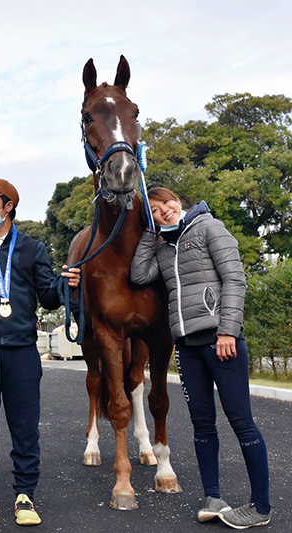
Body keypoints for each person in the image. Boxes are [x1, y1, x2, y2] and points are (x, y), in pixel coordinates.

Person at [130, 187, 271, 529]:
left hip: (221, 341)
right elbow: (138, 275)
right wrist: (150, 235)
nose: (163, 212)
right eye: (154, 211)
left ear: (177, 202)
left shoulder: (210, 228)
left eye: (165, 205)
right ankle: (213, 497)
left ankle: (261, 507)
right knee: (202, 424)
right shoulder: (163, 248)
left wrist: (228, 331)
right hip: (188, 346)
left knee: (241, 421)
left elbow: (235, 279)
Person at [0, 178, 79, 527]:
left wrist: (66, 283)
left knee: (25, 428)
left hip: (22, 353)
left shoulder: (33, 249)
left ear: (8, 206)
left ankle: (25, 495)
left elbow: (49, 297)